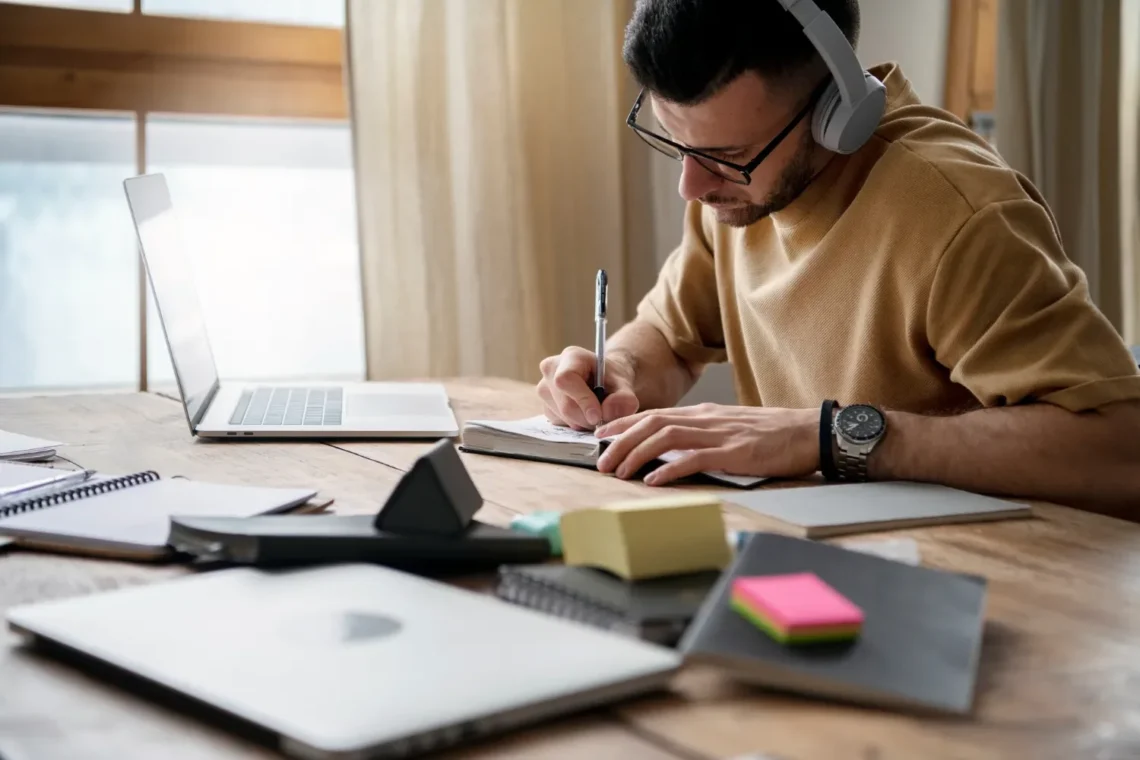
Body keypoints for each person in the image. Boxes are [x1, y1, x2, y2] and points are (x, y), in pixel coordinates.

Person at [536, 0, 1140, 515]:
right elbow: (668, 338)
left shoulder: (960, 215)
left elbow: (1120, 451)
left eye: (725, 154)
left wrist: (831, 436)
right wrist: (618, 373)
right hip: (817, 551)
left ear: (836, 114)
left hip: (998, 586)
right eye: (675, 141)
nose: (690, 187)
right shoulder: (734, 192)